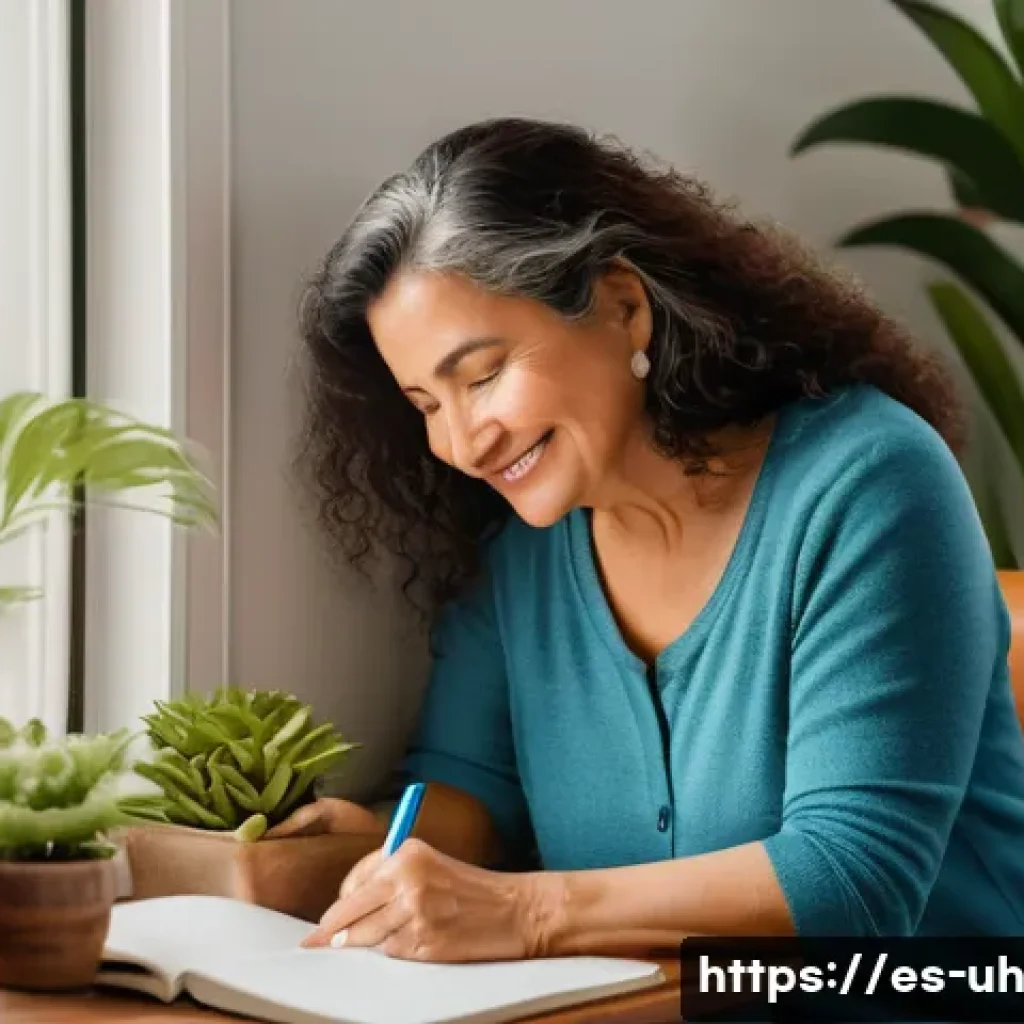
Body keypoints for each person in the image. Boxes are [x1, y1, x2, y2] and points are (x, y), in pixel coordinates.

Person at [267, 117, 1024, 963]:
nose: (462, 443)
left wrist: (526, 913)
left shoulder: (869, 483)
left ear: (623, 307)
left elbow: (852, 878)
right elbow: (471, 786)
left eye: (481, 377)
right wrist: (369, 841)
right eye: (426, 406)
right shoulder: (523, 548)